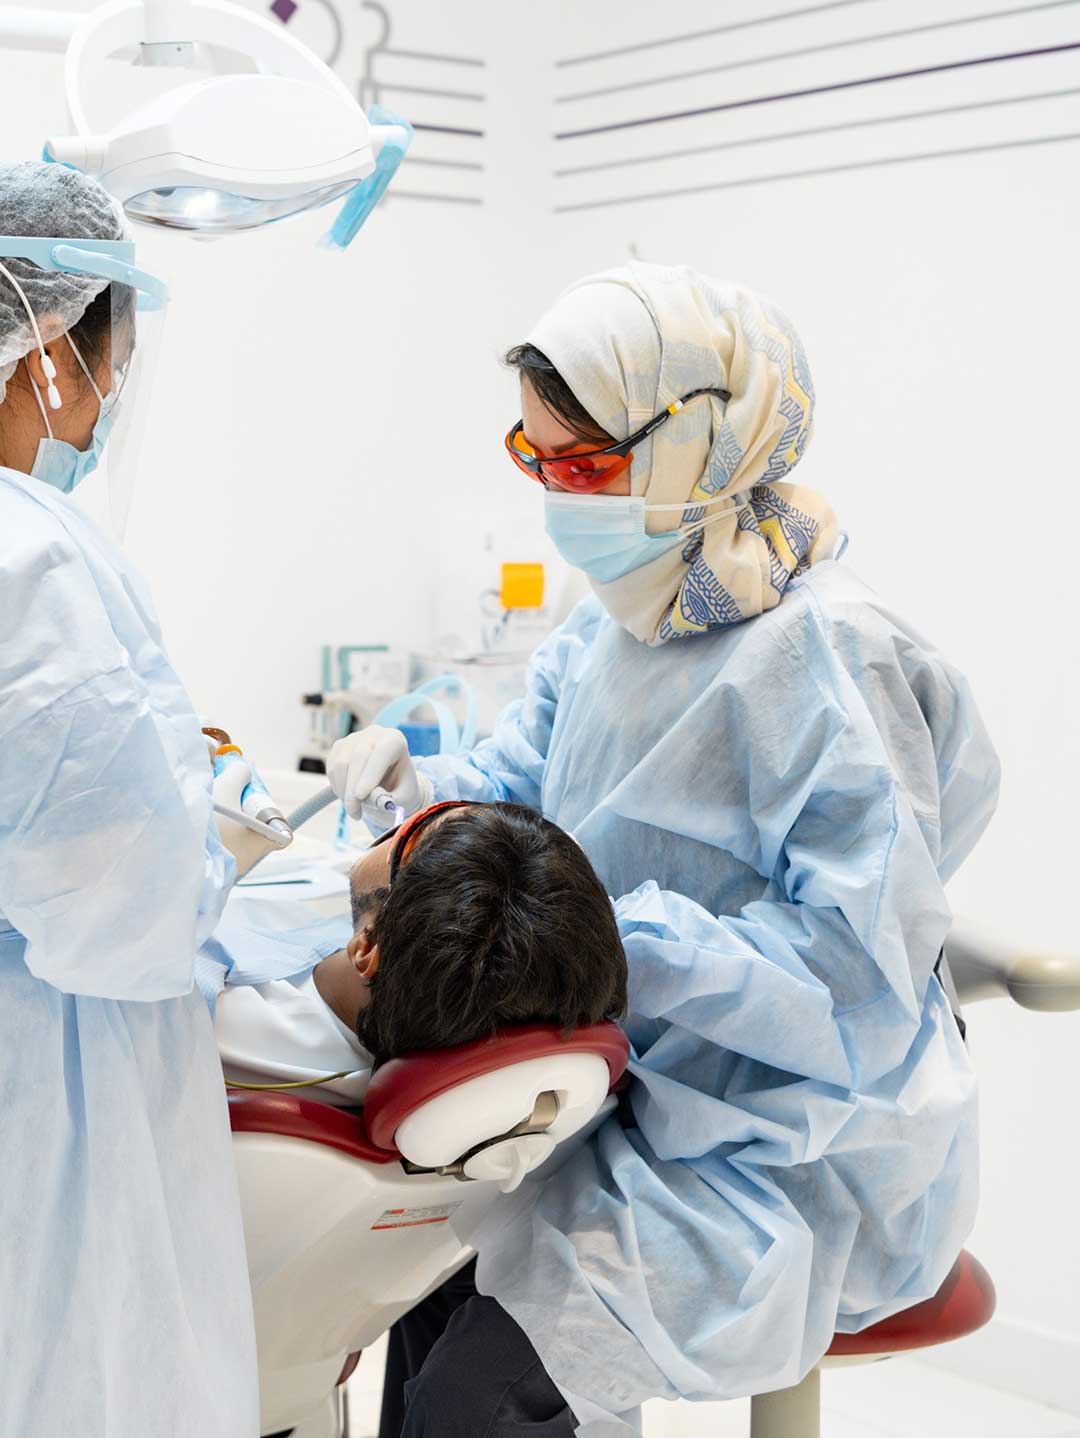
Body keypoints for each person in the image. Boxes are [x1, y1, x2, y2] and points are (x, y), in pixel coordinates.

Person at [326, 263, 1002, 1437]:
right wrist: (421, 797)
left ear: (700, 446)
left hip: (792, 1148)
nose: (557, 499)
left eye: (584, 466)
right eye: (533, 460)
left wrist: (621, 936)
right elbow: (526, 799)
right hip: (633, 1098)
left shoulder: (828, 658)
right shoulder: (614, 618)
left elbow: (860, 981)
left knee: (477, 1396)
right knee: (420, 1293)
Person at [0, 162, 259, 1437]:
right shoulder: (30, 560)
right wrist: (217, 853)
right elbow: (131, 916)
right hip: (44, 1093)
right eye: (114, 357)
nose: (109, 399)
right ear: (49, 348)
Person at [204, 801, 627, 1100]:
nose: (394, 829)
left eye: (414, 832)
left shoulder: (216, 1019)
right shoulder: (468, 998)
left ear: (368, 948)